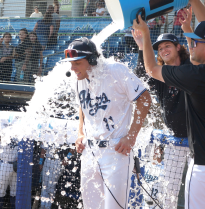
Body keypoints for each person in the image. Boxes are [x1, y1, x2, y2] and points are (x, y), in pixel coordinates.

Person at [132, 0, 205, 208]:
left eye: (195, 42)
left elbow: (150, 68)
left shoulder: (196, 75)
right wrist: (192, 14)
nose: (191, 44)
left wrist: (146, 36)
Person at [65, 37, 151, 209]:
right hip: (90, 152)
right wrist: (81, 133)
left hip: (116, 151)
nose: (72, 68)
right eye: (71, 63)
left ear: (92, 60)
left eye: (77, 63)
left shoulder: (116, 71)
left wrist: (132, 135)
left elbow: (145, 99)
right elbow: (82, 106)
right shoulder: (78, 79)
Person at [132, 31, 191, 208]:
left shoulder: (190, 67)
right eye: (159, 48)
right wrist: (142, 47)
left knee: (195, 190)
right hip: (175, 139)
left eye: (167, 46)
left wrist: (188, 28)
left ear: (178, 47)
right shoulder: (160, 75)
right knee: (169, 191)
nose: (163, 50)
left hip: (198, 139)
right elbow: (141, 76)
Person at [0, 137, 18, 209]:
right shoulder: (3, 132)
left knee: (14, 192)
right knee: (1, 190)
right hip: (5, 164)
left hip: (16, 165)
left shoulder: (20, 133)